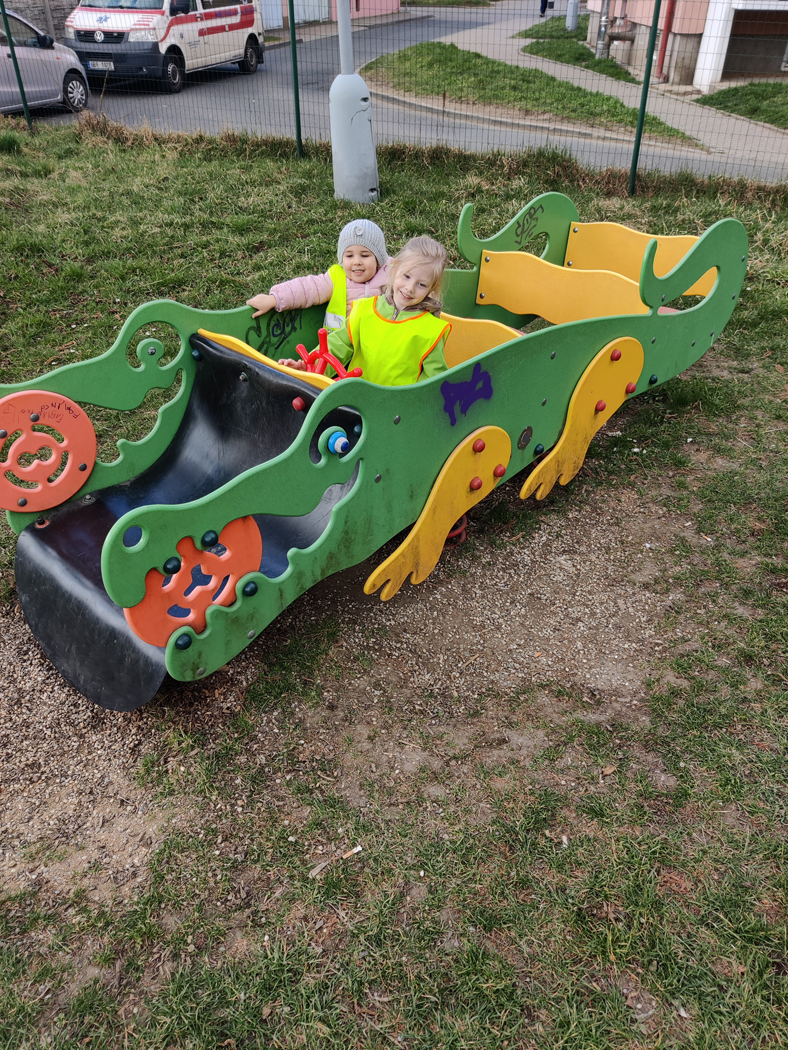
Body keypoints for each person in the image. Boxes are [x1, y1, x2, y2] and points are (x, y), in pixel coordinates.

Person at [281, 236, 451, 387]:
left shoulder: (431, 331)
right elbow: (336, 346)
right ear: (395, 269)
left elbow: (433, 383)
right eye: (406, 276)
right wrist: (308, 368)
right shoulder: (365, 309)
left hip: (398, 409)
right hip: (356, 402)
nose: (410, 288)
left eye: (421, 284)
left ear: (432, 288)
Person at [246, 219, 389, 332]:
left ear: (378, 259)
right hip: (343, 346)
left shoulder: (391, 274)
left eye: (365, 255)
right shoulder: (337, 278)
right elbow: (307, 288)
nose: (357, 262)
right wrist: (274, 299)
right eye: (349, 256)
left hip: (381, 342)